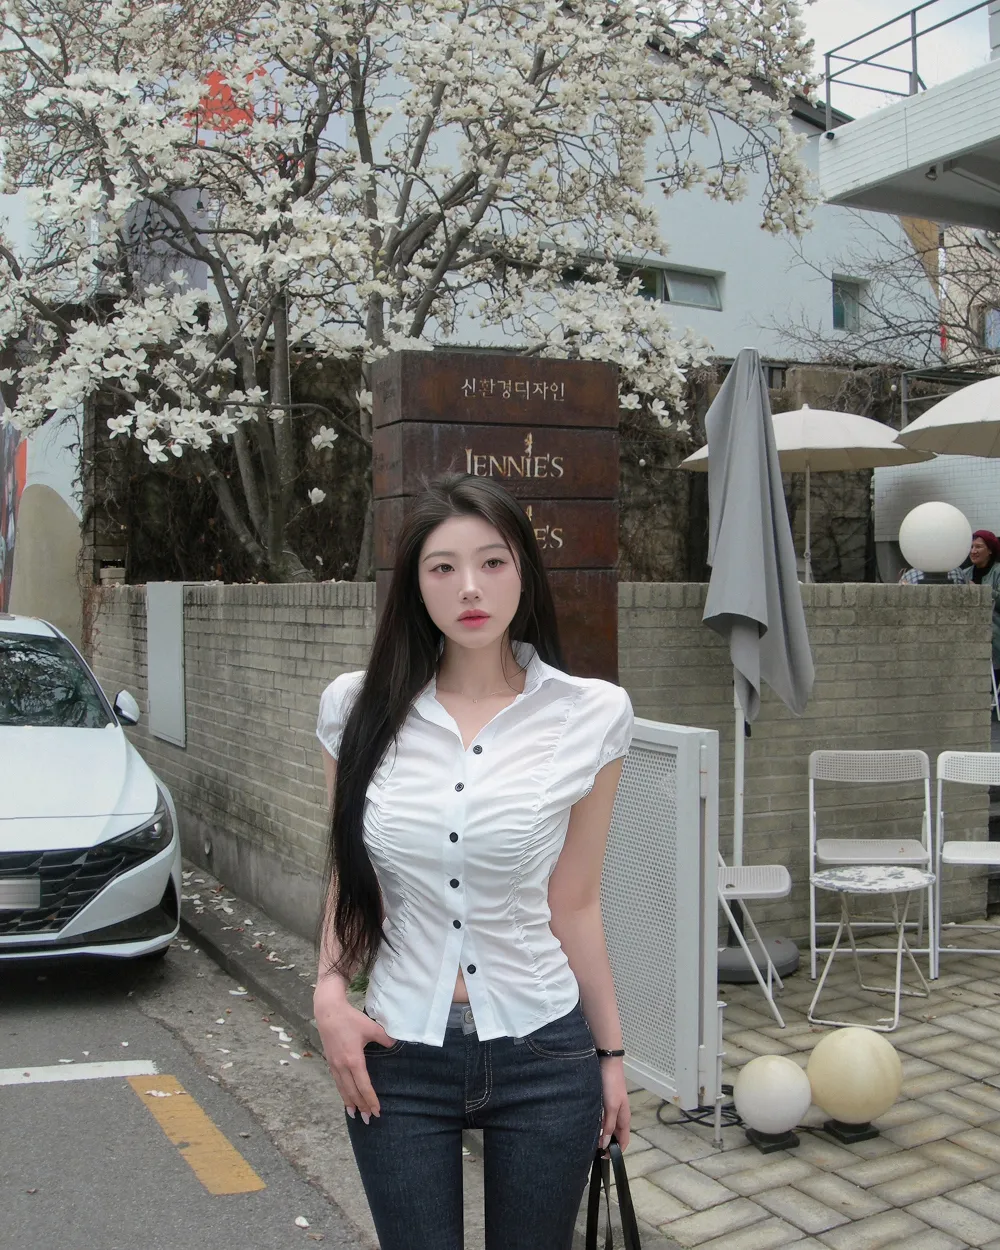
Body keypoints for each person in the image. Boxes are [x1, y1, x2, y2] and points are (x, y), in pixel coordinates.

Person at [313, 473, 634, 1250]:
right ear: (414, 584)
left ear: (524, 572)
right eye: (442, 567)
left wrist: (612, 1058)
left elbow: (576, 903)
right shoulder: (355, 708)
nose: (469, 587)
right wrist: (328, 994)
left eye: (492, 562)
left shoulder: (589, 714)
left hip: (543, 1050)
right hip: (398, 1050)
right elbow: (351, 880)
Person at [961, 530, 1000, 701]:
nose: (973, 551)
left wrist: (981, 591)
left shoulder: (998, 571)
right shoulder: (964, 573)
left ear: (990, 550)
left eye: (978, 547)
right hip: (969, 629)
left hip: (994, 630)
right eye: (971, 547)